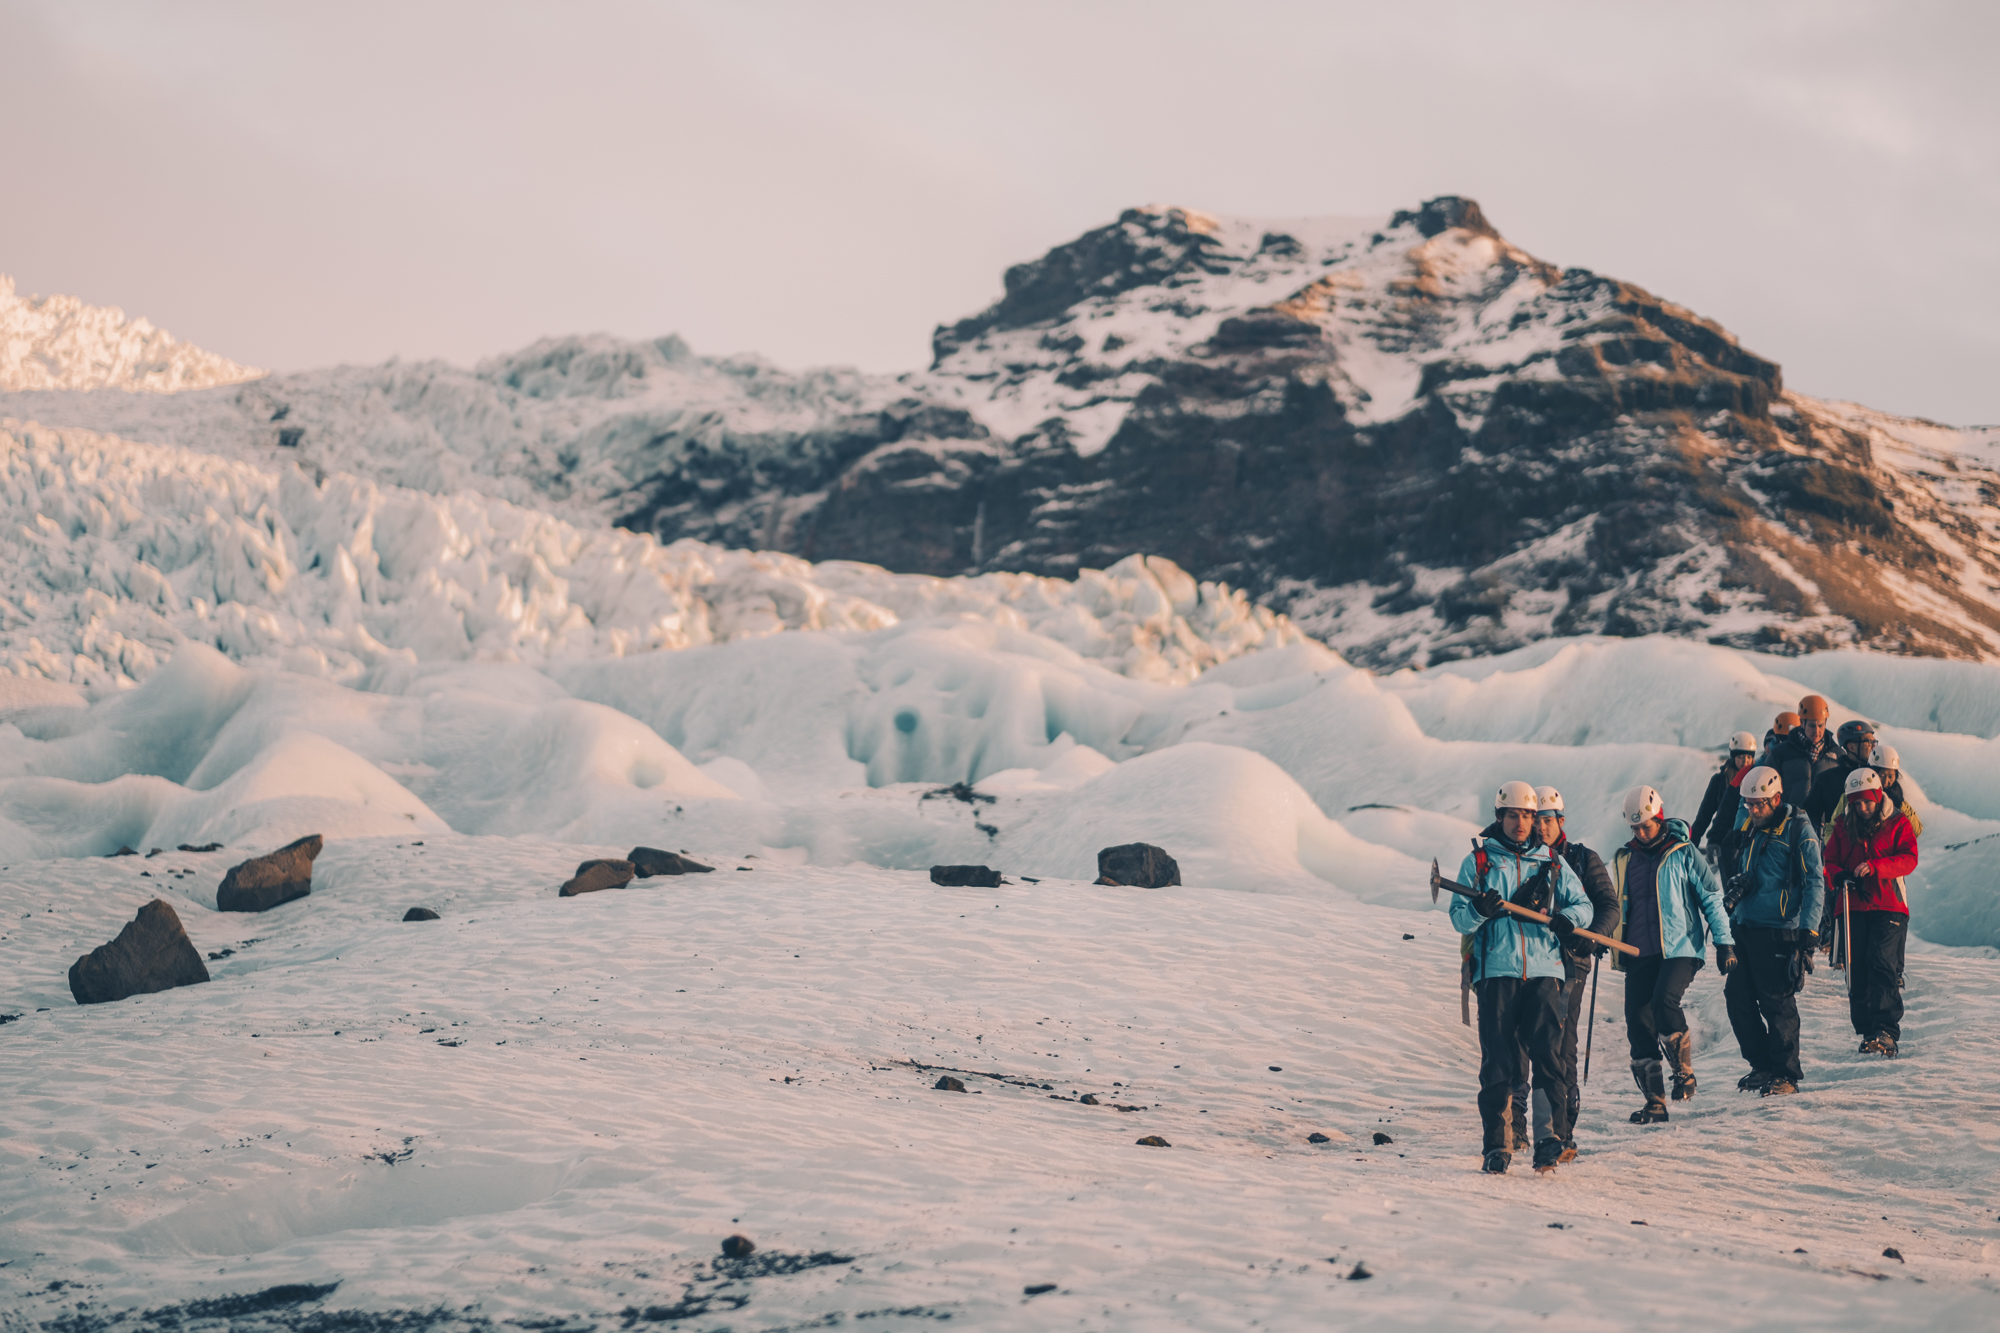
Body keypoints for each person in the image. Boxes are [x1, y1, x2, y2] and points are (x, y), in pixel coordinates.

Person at [1448, 781, 1591, 1174]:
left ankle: (1549, 1140)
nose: (1521, 823)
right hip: (1496, 973)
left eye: (1528, 815)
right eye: (1514, 815)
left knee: (1548, 1057)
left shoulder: (1553, 864)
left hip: (1545, 972)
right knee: (1498, 1062)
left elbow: (1584, 906)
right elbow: (1459, 917)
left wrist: (1568, 919)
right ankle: (1498, 1145)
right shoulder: (1478, 862)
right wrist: (1480, 910)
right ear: (1500, 817)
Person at [1610, 786, 1735, 1122]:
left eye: (1646, 826)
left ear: (1659, 818)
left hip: (1679, 948)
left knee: (1665, 1001)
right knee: (1638, 1022)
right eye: (1635, 828)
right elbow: (1615, 905)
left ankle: (1683, 1072)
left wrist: (1724, 943)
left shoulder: (1684, 853)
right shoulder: (1624, 859)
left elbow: (1711, 897)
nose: (1640, 833)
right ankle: (1655, 1102)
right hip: (1638, 950)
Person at [1717, 765, 1824, 1096]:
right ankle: (1761, 1065)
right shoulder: (1752, 826)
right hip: (1745, 927)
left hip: (1780, 930)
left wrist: (1809, 931)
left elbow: (1814, 881)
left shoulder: (1798, 830)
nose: (1752, 810)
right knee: (1737, 997)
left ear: (1776, 798)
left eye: (1758, 804)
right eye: (1748, 804)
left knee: (1777, 1003)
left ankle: (1786, 1073)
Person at [1534, 786, 1619, 1161]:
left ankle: (1562, 1132)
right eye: (1534, 819)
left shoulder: (1583, 859)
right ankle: (1524, 1129)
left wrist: (1593, 937)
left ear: (1561, 821)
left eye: (1547, 820)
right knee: (1526, 1042)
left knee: (1561, 1044)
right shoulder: (1524, 859)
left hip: (1570, 963)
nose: (1540, 827)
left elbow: (1609, 905)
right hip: (1530, 962)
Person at [1823, 767, 1918, 1057]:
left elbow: (1909, 859)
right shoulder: (1842, 825)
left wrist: (1877, 867)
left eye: (1868, 801)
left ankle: (1886, 1031)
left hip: (1888, 903)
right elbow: (1830, 860)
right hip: (1852, 905)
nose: (1863, 808)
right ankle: (1868, 1032)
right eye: (1857, 803)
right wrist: (1839, 876)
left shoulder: (1898, 823)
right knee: (1857, 969)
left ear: (1878, 797)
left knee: (1881, 962)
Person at [1768, 695, 1840, 816]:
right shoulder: (1781, 753)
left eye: (1821, 725)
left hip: (1823, 828)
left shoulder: (1837, 755)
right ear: (1801, 723)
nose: (1816, 731)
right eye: (1812, 725)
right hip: (1788, 823)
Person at [1691, 732, 1759, 855]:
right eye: (1740, 757)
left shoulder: (1758, 779)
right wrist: (1692, 842)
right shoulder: (1719, 780)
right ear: (1733, 757)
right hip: (1726, 840)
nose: (1745, 762)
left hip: (1751, 838)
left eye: (1749, 757)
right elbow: (1704, 814)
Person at [1805, 719, 1878, 833]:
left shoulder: (1880, 776)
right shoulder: (1827, 779)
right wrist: (1821, 833)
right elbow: (1810, 811)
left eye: (1874, 742)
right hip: (1839, 847)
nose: (1874, 746)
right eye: (1869, 742)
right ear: (1851, 747)